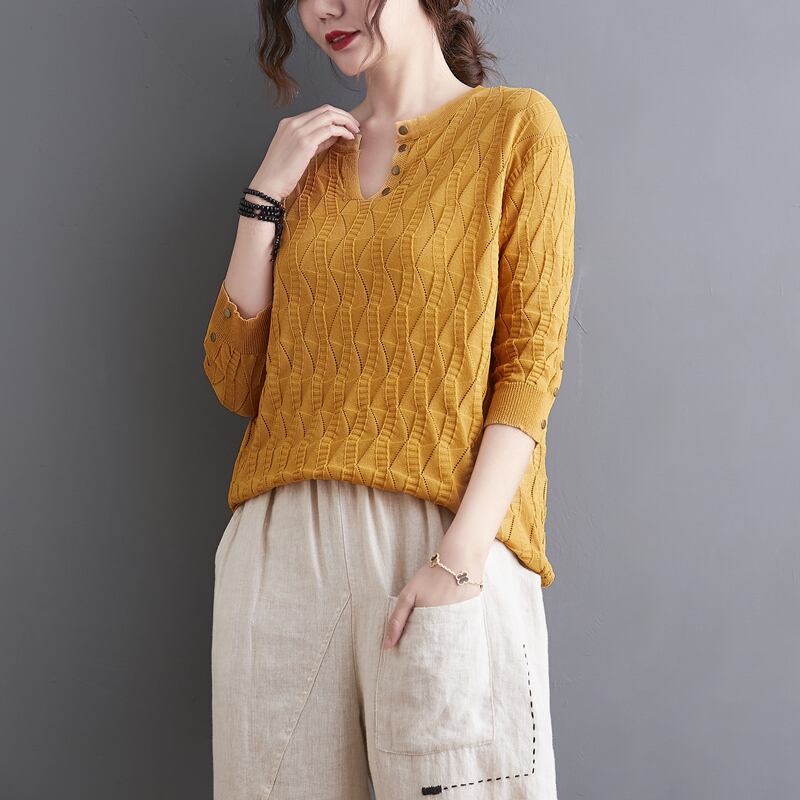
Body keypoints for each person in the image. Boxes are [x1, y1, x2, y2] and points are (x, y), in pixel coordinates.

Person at [202, 1, 575, 797]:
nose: (323, 10)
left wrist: (460, 560)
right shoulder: (309, 162)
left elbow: (530, 365)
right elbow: (235, 380)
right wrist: (264, 196)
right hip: (280, 544)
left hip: (440, 538)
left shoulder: (516, 128)